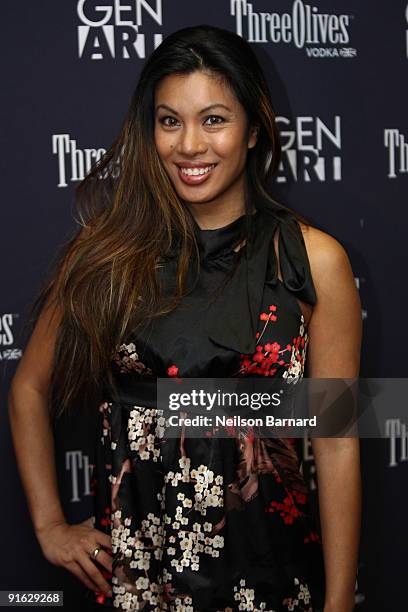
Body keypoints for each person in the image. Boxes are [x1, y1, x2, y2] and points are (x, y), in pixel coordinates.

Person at [8, 25, 362, 612]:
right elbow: (28, 386)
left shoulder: (315, 261)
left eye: (214, 119)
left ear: (254, 129)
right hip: (138, 580)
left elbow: (338, 439)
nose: (189, 145)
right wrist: (50, 525)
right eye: (169, 120)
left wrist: (339, 605)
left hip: (268, 577)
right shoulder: (107, 255)